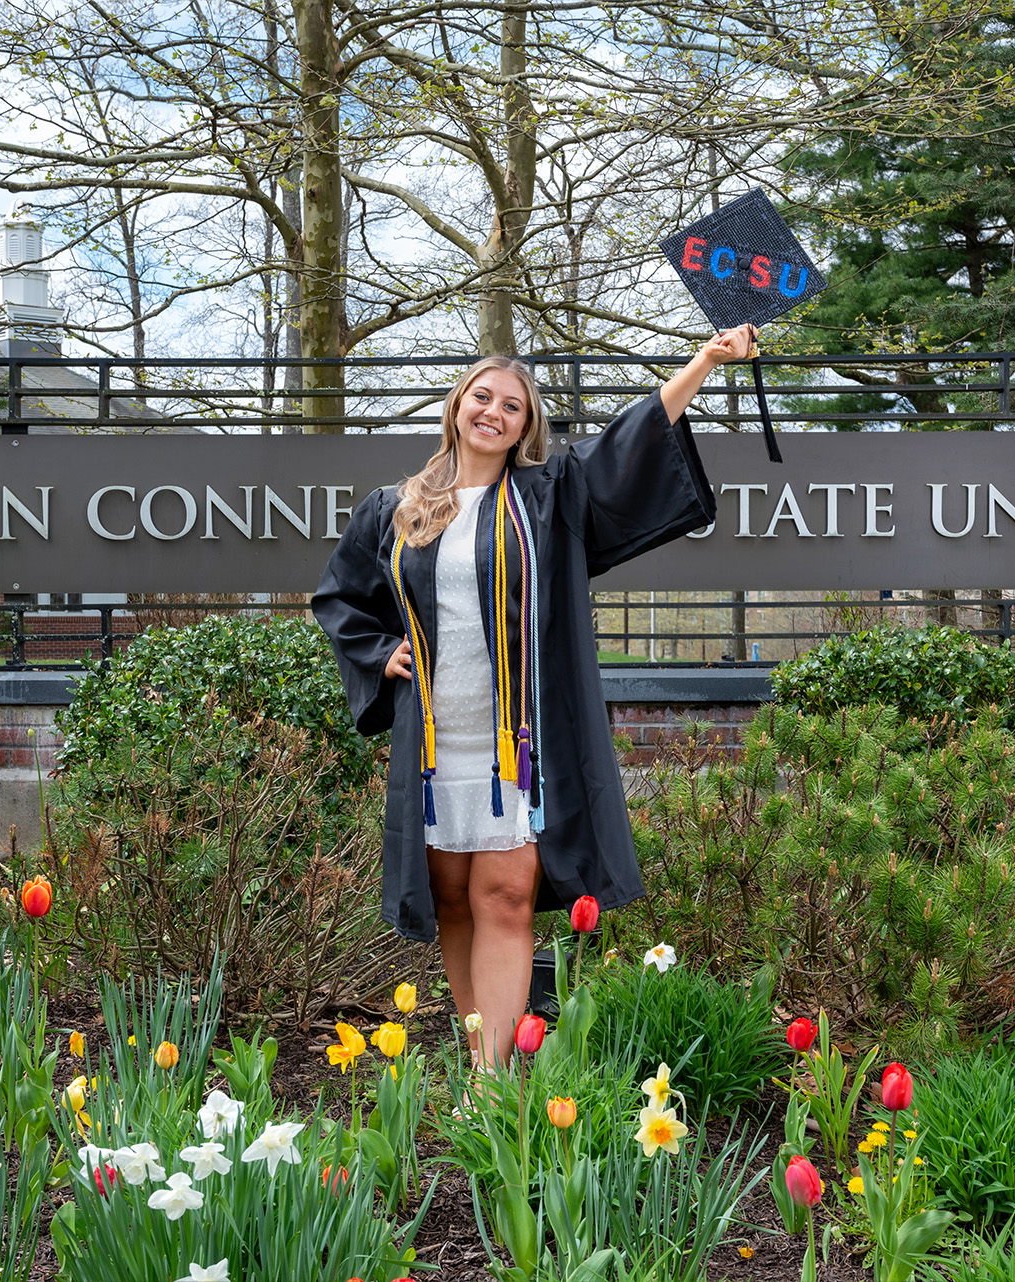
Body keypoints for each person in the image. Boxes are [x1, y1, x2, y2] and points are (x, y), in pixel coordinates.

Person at [313, 324, 757, 1070]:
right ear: (457, 405)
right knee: (452, 899)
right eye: (482, 397)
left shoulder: (547, 498)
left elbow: (631, 441)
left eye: (512, 407)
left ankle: (492, 1084)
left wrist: (704, 362)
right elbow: (340, 598)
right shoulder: (396, 506)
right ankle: (478, 1054)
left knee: (507, 900)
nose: (493, 412)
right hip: (434, 743)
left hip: (516, 743)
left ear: (526, 427)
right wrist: (376, 651)